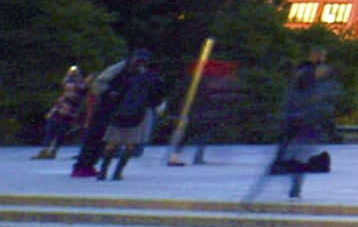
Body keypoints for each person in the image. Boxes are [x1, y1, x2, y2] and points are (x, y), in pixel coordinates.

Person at [247, 51, 339, 204]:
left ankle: (290, 183)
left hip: (298, 124)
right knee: (298, 159)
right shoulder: (314, 87)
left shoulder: (303, 87)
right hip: (303, 125)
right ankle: (294, 188)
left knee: (295, 157)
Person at [96, 52, 164, 181]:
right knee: (129, 145)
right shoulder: (151, 78)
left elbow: (112, 90)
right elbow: (156, 98)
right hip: (138, 114)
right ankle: (117, 173)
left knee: (111, 143)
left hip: (119, 112)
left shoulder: (126, 75)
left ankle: (103, 172)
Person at [167, 57, 237, 166]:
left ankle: (176, 156)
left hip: (194, 113)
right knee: (197, 135)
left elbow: (180, 96)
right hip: (199, 113)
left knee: (189, 135)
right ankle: (192, 156)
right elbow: (208, 98)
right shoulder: (203, 82)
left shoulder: (192, 81)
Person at [35, 67, 86, 159]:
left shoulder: (79, 87)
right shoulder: (79, 86)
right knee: (55, 132)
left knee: (53, 132)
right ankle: (50, 150)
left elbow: (67, 85)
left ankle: (47, 150)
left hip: (64, 112)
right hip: (64, 112)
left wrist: (71, 75)